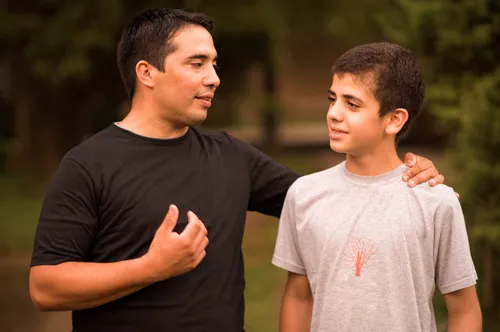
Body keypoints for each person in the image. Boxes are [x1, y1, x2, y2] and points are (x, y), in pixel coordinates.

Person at [29, 9, 446, 332]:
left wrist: (402, 172)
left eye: (214, 64)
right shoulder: (87, 165)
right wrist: (150, 268)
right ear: (147, 73)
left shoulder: (231, 156)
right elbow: (45, 286)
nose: (214, 78)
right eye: (197, 63)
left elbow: (333, 197)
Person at [272, 42, 482, 332]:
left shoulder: (437, 201)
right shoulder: (304, 194)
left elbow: (464, 311)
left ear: (394, 119)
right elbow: (298, 296)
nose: (334, 113)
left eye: (352, 104)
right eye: (333, 99)